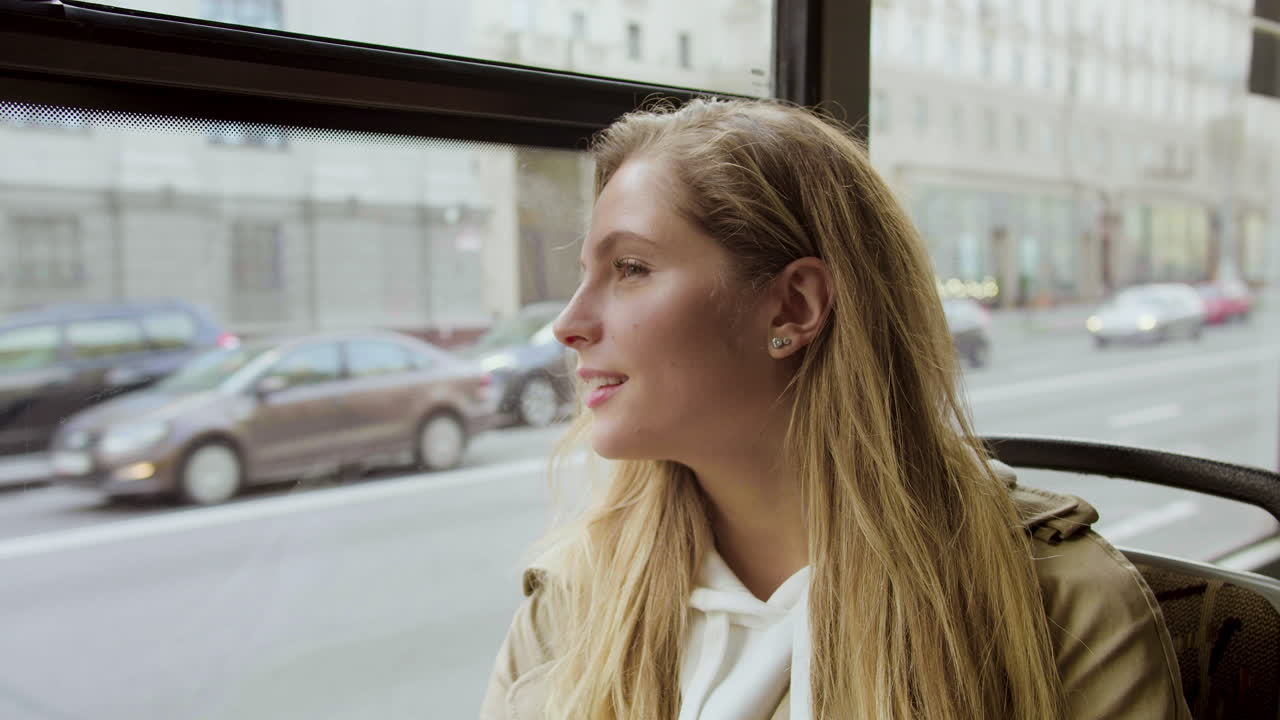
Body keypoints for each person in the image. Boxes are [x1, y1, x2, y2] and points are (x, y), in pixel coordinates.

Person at [480, 98, 1189, 720]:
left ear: (794, 306)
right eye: (588, 275)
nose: (568, 324)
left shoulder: (1059, 609)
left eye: (630, 268)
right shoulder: (572, 607)